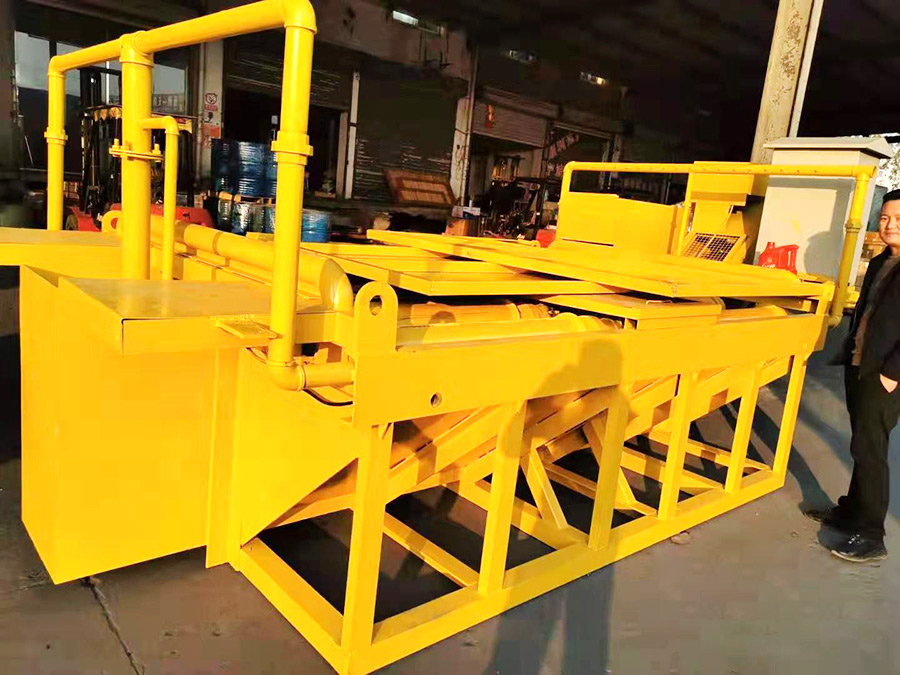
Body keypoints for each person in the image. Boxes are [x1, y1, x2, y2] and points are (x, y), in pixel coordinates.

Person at [806, 189, 900, 562]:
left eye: (898, 219)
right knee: (861, 444)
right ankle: (850, 512)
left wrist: (892, 374)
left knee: (870, 450)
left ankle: (872, 535)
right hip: (860, 364)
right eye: (885, 218)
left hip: (886, 374)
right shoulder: (881, 262)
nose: (889, 225)